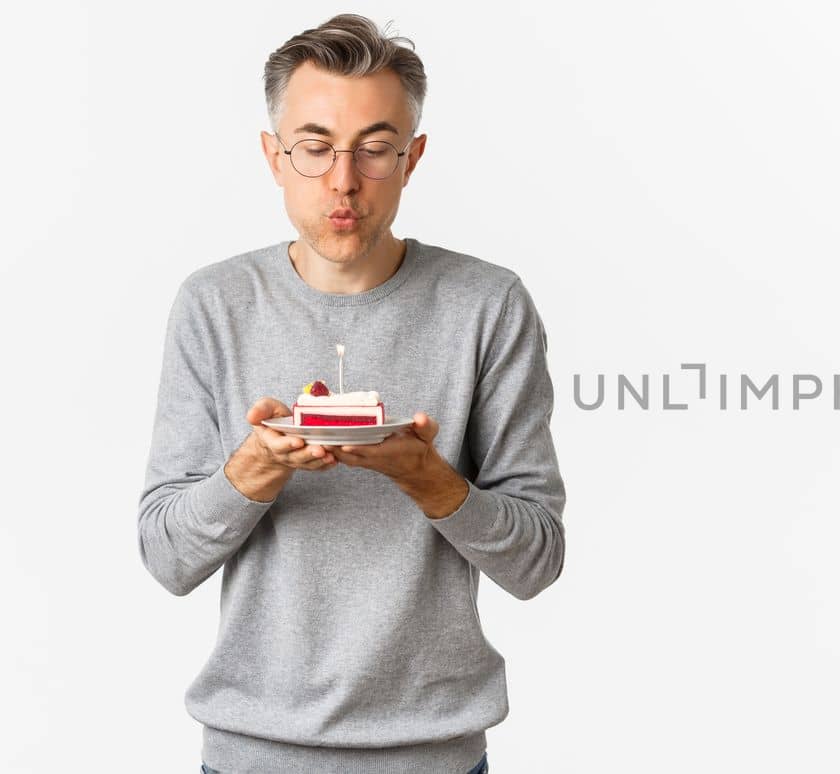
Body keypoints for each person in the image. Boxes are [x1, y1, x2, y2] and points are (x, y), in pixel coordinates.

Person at [138, 14, 566, 773]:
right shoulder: (214, 304)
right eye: (315, 147)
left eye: (374, 149)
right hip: (250, 753)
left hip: (435, 755)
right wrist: (255, 471)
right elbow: (167, 557)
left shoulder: (487, 306)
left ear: (413, 158)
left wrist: (426, 478)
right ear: (274, 157)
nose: (343, 179)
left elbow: (536, 562)